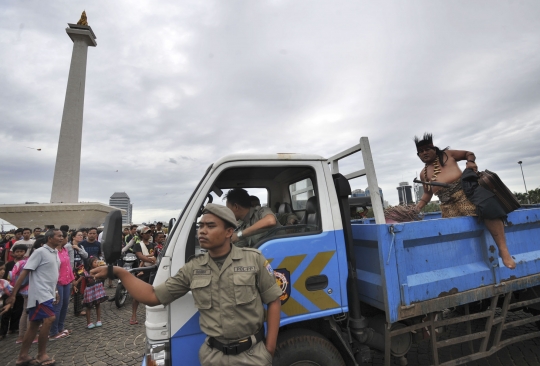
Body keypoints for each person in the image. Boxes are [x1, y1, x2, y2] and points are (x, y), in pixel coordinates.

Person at [92, 203, 281, 365]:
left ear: (229, 232)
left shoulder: (253, 259)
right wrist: (120, 273)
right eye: (200, 226)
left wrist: (269, 348)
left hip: (253, 356)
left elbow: (273, 300)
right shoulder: (193, 268)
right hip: (213, 358)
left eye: (210, 226)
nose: (202, 231)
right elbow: (152, 296)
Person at [414, 133, 516, 269]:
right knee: (451, 229)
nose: (424, 153)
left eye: (427, 149)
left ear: (434, 149)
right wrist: (418, 207)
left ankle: (503, 251)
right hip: (447, 204)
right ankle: (464, 255)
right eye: (420, 152)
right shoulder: (423, 173)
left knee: (489, 208)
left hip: (465, 194)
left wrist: (470, 162)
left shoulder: (447, 155)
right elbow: (427, 193)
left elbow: (469, 153)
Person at [7, 229, 63, 366]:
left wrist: (55, 291)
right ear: (49, 238)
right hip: (39, 295)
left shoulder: (55, 252)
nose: (62, 238)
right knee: (49, 318)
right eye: (59, 236)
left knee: (34, 325)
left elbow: (51, 274)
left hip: (48, 293)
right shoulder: (40, 252)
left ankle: (22, 356)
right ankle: (41, 355)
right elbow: (24, 272)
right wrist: (13, 294)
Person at [49, 231, 75, 340]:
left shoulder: (64, 250)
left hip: (67, 281)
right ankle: (53, 331)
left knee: (65, 305)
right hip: (57, 283)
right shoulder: (53, 252)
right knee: (57, 307)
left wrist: (73, 280)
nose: (65, 239)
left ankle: (60, 328)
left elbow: (68, 266)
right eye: (63, 237)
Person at [129, 226, 157, 325]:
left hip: (153, 271)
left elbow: (156, 255)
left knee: (155, 294)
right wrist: (152, 260)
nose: (149, 234)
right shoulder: (138, 245)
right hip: (143, 270)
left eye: (150, 232)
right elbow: (140, 256)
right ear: (141, 234)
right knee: (137, 295)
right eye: (146, 232)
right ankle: (133, 315)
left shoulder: (153, 244)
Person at [1, 244, 26, 339]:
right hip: (8, 289)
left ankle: (14, 327)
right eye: (17, 252)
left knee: (18, 309)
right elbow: (5, 276)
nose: (19, 253)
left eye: (21, 251)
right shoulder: (9, 264)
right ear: (13, 253)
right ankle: (3, 331)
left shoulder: (26, 263)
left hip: (21, 289)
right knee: (6, 311)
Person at [82, 257, 108, 329]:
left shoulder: (100, 270)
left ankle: (98, 320)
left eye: (97, 261)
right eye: (95, 262)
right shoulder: (86, 272)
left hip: (98, 288)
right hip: (90, 289)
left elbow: (104, 277)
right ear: (90, 264)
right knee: (89, 306)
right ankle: (89, 322)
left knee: (98, 304)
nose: (97, 263)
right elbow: (84, 277)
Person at [69, 231, 88, 316]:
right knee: (70, 290)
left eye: (82, 235)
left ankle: (78, 310)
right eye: (79, 235)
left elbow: (86, 255)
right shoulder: (67, 246)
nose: (81, 237)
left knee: (79, 291)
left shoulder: (81, 246)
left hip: (80, 270)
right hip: (70, 271)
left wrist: (78, 249)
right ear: (73, 237)